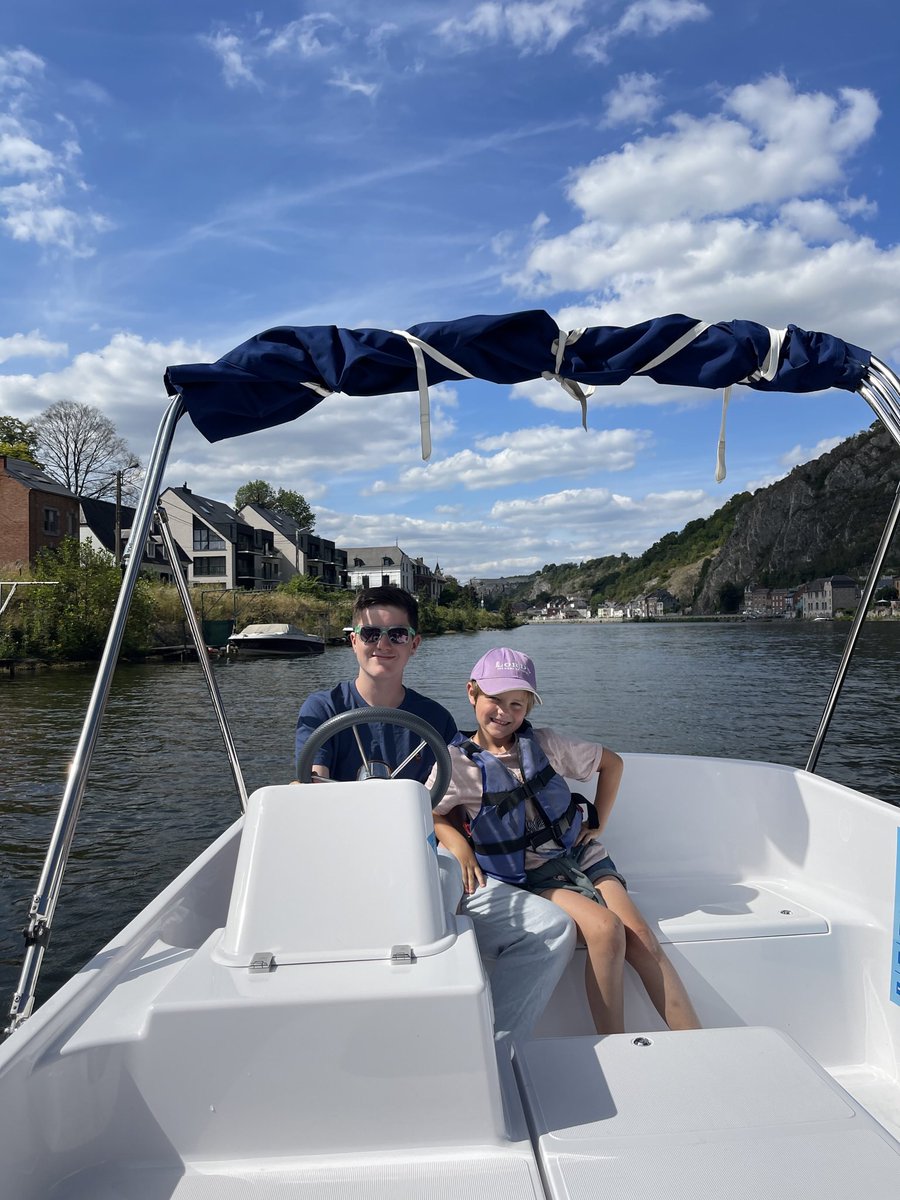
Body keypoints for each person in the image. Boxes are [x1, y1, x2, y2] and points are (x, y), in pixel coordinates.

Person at [295, 586, 575, 1047]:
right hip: (346, 868)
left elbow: (461, 790)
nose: (383, 643)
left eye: (397, 634)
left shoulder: (435, 718)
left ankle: (486, 1051)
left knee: (552, 930)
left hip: (424, 862)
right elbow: (313, 783)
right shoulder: (324, 709)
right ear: (353, 639)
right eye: (371, 633)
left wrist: (460, 844)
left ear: (415, 643)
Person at [432, 646, 701, 1036]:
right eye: (495, 699)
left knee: (641, 937)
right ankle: (616, 1043)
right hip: (532, 877)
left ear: (528, 708)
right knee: (605, 928)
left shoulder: (546, 744)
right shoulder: (457, 765)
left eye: (517, 704)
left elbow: (612, 764)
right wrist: (457, 845)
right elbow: (430, 811)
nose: (504, 712)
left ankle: (697, 1039)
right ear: (472, 692)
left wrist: (598, 823)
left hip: (583, 856)